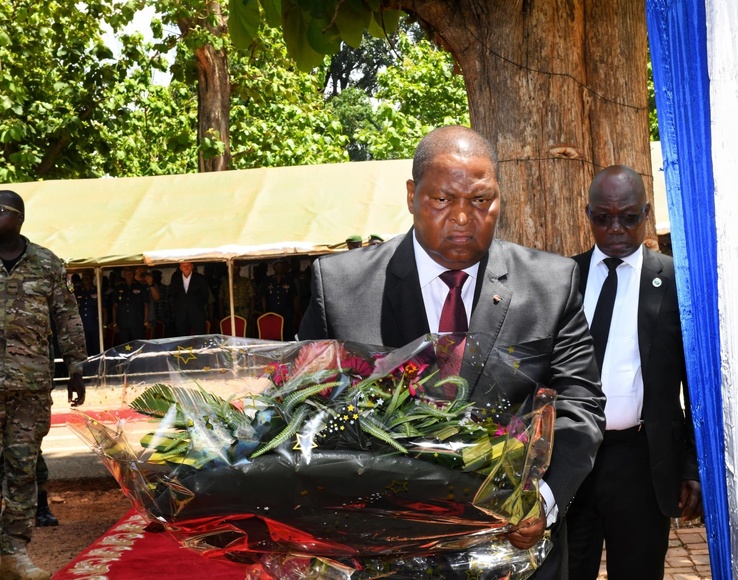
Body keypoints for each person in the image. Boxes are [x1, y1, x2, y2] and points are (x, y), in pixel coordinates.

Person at [298, 125, 606, 578]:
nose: (462, 217)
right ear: (412, 195)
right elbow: (305, 410)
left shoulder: (552, 283)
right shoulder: (341, 286)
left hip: (515, 554)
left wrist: (540, 499)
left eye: (480, 200)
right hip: (385, 555)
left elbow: (581, 403)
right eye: (442, 199)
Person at [565, 165, 701, 579]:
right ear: (587, 214)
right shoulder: (563, 277)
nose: (615, 229)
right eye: (602, 218)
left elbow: (698, 386)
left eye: (628, 217)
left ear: (646, 213)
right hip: (570, 460)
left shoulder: (677, 280)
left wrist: (693, 467)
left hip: (642, 461)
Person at [0, 190, 86, 580]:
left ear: (18, 217)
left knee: (22, 471)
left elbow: (66, 315)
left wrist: (77, 365)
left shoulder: (46, 263)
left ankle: (14, 553)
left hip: (30, 386)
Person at [168, 262, 211, 336]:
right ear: (180, 268)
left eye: (188, 265)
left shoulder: (200, 278)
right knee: (183, 338)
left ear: (192, 266)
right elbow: (173, 296)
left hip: (197, 314)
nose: (186, 267)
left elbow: (205, 296)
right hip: (181, 315)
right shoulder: (176, 279)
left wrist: (195, 305)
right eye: (184, 266)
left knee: (200, 337)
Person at [260, 260, 298, 339]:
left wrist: (295, 311)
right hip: (272, 312)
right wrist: (264, 311)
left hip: (287, 312)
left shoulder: (289, 280)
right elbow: (263, 296)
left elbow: (294, 296)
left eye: (280, 265)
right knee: (273, 333)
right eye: (277, 265)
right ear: (273, 267)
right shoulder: (268, 280)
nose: (279, 267)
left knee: (287, 333)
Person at [112, 267, 149, 344]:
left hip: (137, 322)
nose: (128, 275)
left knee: (138, 345)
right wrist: (115, 323)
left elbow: (146, 305)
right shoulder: (118, 287)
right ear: (124, 274)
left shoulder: (141, 287)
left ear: (134, 274)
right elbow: (115, 306)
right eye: (127, 273)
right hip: (123, 323)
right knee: (125, 346)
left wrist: (145, 321)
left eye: (130, 273)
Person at [74, 270, 102, 356]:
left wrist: (103, 326)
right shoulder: (77, 291)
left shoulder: (97, 290)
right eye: (84, 277)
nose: (86, 279)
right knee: (85, 348)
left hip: (95, 324)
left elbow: (103, 310)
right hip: (82, 324)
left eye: (88, 277)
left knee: (96, 348)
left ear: (92, 278)